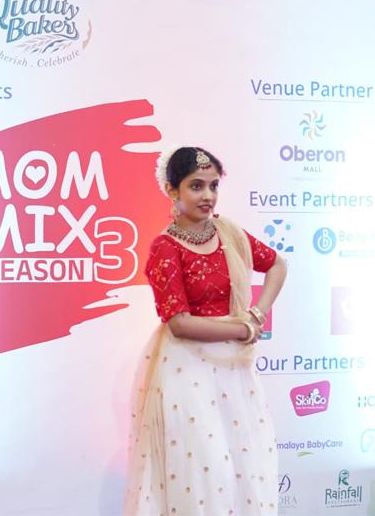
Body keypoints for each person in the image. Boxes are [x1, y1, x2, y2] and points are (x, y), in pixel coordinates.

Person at [122, 146, 287, 515]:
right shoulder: (165, 248)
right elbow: (179, 323)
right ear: (172, 190)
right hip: (188, 373)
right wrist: (242, 330)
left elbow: (278, 265)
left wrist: (256, 314)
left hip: (234, 372)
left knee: (243, 468)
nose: (208, 196)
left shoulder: (229, 233)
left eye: (213, 186)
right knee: (204, 472)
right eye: (196, 186)